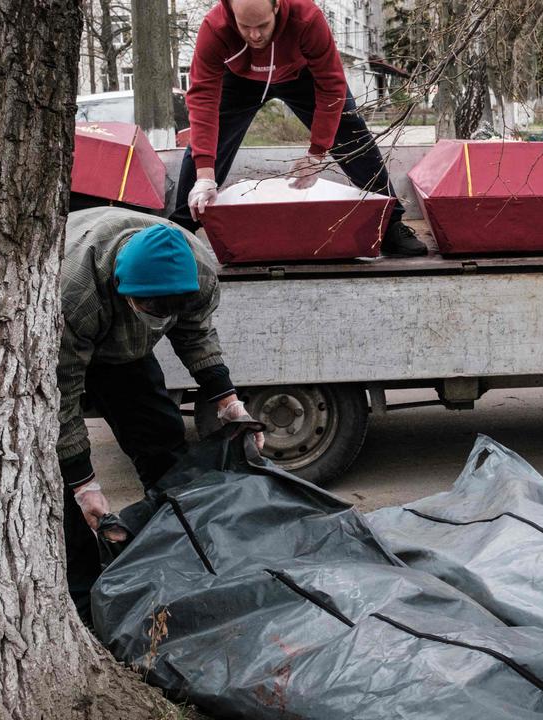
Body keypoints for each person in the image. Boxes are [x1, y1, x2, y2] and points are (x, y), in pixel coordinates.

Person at [59, 207, 263, 620]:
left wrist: (228, 402)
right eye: (150, 309)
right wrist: (84, 482)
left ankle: (182, 554)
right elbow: (61, 395)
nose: (163, 320)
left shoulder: (198, 273)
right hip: (66, 346)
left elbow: (195, 331)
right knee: (67, 486)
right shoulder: (74, 293)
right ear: (122, 285)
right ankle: (82, 600)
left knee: (165, 445)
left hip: (127, 352)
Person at [171, 0, 427, 257]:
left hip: (300, 74)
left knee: (350, 129)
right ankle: (182, 228)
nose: (255, 35)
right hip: (239, 79)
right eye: (245, 27)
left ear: (277, 8)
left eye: (262, 25)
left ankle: (390, 223)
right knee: (205, 142)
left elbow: (331, 88)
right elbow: (202, 98)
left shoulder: (307, 18)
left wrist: (317, 153)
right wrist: (204, 175)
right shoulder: (215, 27)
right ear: (231, 13)